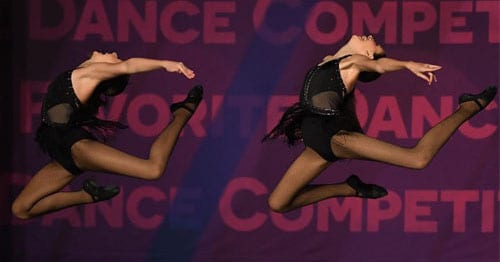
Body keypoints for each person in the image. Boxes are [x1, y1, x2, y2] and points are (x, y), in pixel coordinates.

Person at [263, 35, 497, 213]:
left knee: (417, 159)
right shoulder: (327, 61)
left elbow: (379, 66)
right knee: (278, 203)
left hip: (334, 137)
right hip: (318, 143)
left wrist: (406, 64)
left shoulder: (350, 64)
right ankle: (349, 188)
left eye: (376, 48)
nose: (372, 38)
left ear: (366, 55)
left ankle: (468, 107)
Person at [11, 51, 203, 219]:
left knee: (153, 169)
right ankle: (87, 195)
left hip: (76, 147)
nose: (114, 54)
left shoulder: (88, 76)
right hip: (62, 153)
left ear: (108, 73)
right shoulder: (81, 75)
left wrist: (165, 64)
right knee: (21, 209)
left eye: (117, 60)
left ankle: (182, 113)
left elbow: (129, 65)